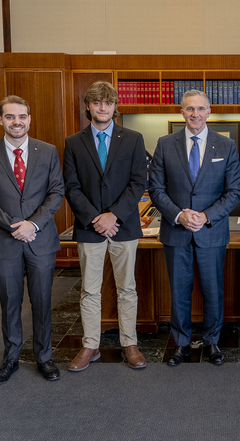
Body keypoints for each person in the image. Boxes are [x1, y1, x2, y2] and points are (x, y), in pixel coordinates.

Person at [0, 95, 65, 385]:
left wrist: (33, 225)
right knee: (9, 301)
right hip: (6, 240)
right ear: (0, 120)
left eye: (22, 116)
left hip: (40, 240)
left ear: (29, 118)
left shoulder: (48, 151)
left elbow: (56, 193)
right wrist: (15, 225)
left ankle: (44, 358)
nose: (17, 122)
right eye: (10, 117)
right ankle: (10, 358)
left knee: (41, 300)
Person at [149, 90, 240, 366]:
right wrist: (179, 215)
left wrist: (204, 215)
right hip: (176, 232)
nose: (195, 114)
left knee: (213, 290)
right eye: (190, 109)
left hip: (211, 232)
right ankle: (180, 344)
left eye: (201, 109)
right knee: (179, 291)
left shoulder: (225, 146)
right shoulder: (165, 144)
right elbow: (156, 188)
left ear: (209, 112)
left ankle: (212, 341)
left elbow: (234, 192)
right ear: (182, 112)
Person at [63, 81, 147, 371]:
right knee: (89, 289)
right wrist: (96, 218)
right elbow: (71, 187)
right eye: (97, 103)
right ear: (88, 106)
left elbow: (139, 182)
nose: (103, 108)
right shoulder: (73, 142)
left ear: (115, 107)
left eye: (108, 103)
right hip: (90, 227)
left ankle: (129, 343)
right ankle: (90, 346)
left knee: (127, 289)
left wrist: (115, 215)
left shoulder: (134, 138)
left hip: (123, 225)